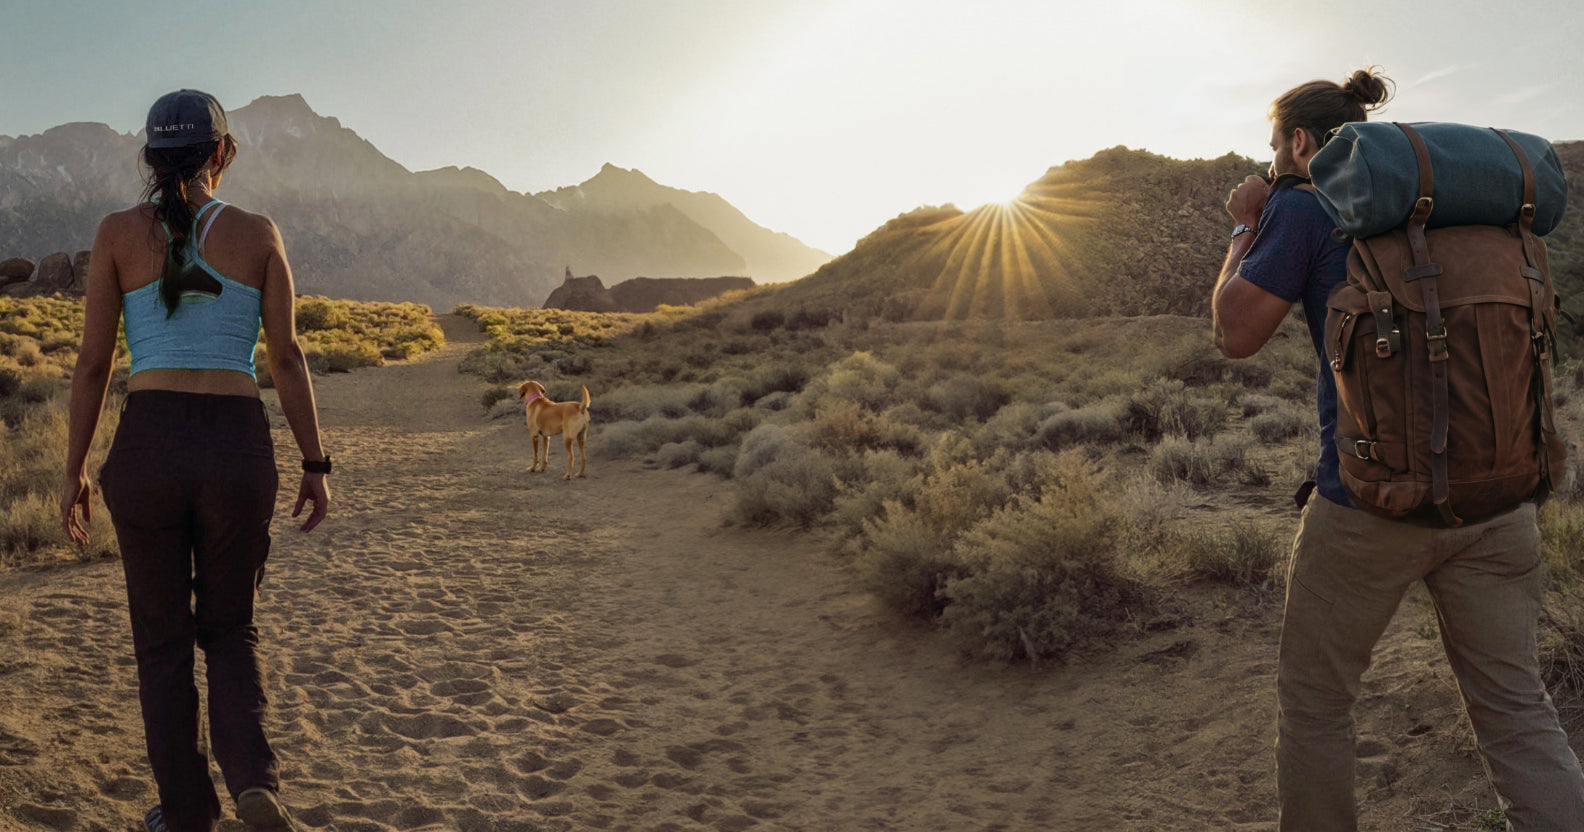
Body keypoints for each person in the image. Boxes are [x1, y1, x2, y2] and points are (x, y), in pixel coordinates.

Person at [1212, 69, 1584, 831]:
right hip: (1501, 495)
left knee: (1316, 705)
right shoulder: (1462, 216)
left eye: (1274, 144)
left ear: (1302, 142)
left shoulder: (1301, 203)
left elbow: (1234, 332)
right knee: (1517, 708)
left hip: (1367, 509)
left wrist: (1247, 221)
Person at [59, 89, 329, 832]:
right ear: (220, 154)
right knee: (231, 627)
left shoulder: (116, 233)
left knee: (162, 642)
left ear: (151, 159)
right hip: (236, 444)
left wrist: (75, 467)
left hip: (148, 446)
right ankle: (252, 781)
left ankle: (185, 812)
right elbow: (285, 356)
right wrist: (316, 462)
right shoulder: (258, 233)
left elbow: (91, 365)